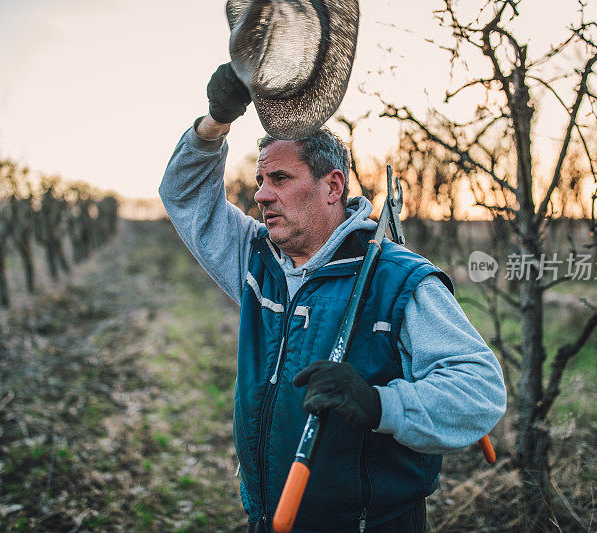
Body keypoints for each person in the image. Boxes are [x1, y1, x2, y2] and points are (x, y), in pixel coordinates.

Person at [159, 63, 507, 533]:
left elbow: (480, 389)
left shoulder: (399, 280)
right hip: (270, 515)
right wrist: (214, 122)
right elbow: (184, 194)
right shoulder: (256, 258)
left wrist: (379, 404)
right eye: (261, 181)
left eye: (279, 179)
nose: (261, 195)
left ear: (333, 187)